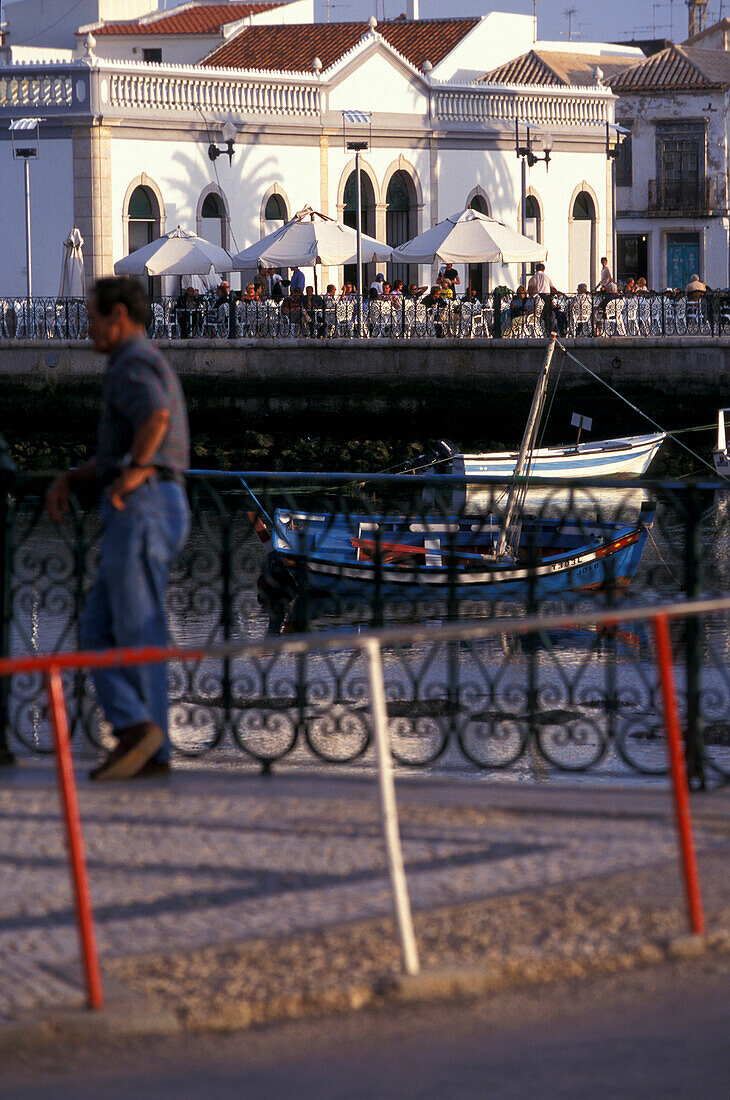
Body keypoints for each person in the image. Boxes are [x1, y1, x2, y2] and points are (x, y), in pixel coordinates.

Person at [46, 277, 190, 781]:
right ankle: (138, 732)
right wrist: (75, 477)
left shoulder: (133, 362)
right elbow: (119, 450)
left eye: (92, 316)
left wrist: (133, 472)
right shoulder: (135, 361)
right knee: (100, 628)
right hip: (152, 504)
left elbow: (156, 415)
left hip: (146, 507)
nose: (87, 326)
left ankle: (147, 740)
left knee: (137, 628)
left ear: (118, 317)